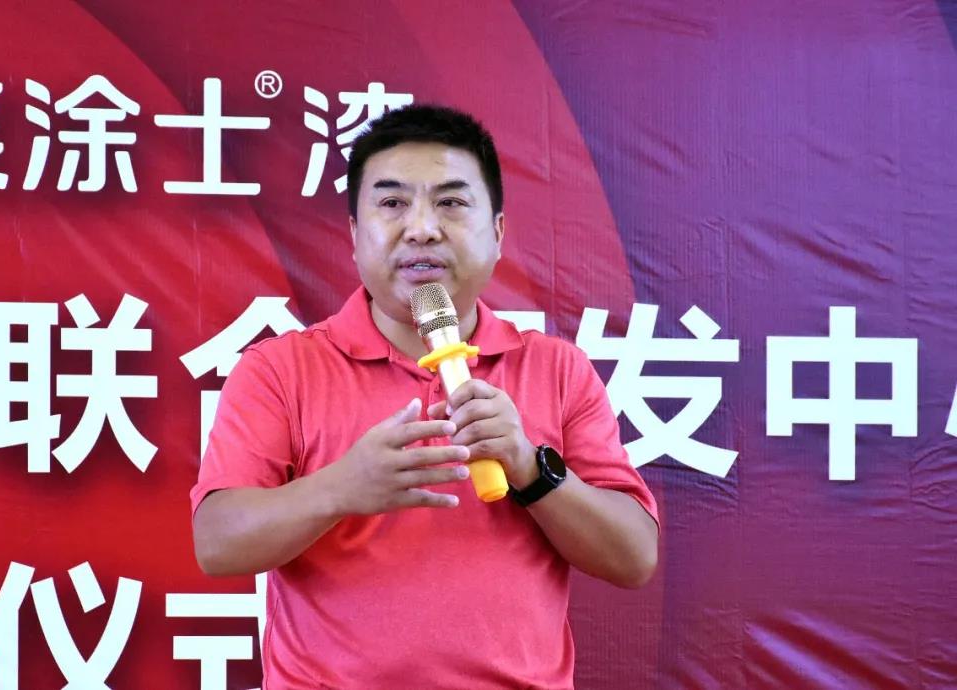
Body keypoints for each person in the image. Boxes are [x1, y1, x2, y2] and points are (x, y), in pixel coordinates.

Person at [191, 104, 659, 689]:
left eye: (451, 203)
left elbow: (634, 557)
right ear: (355, 235)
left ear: (498, 232)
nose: (421, 228)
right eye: (392, 203)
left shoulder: (559, 369)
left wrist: (529, 468)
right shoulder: (278, 370)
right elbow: (217, 544)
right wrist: (341, 487)